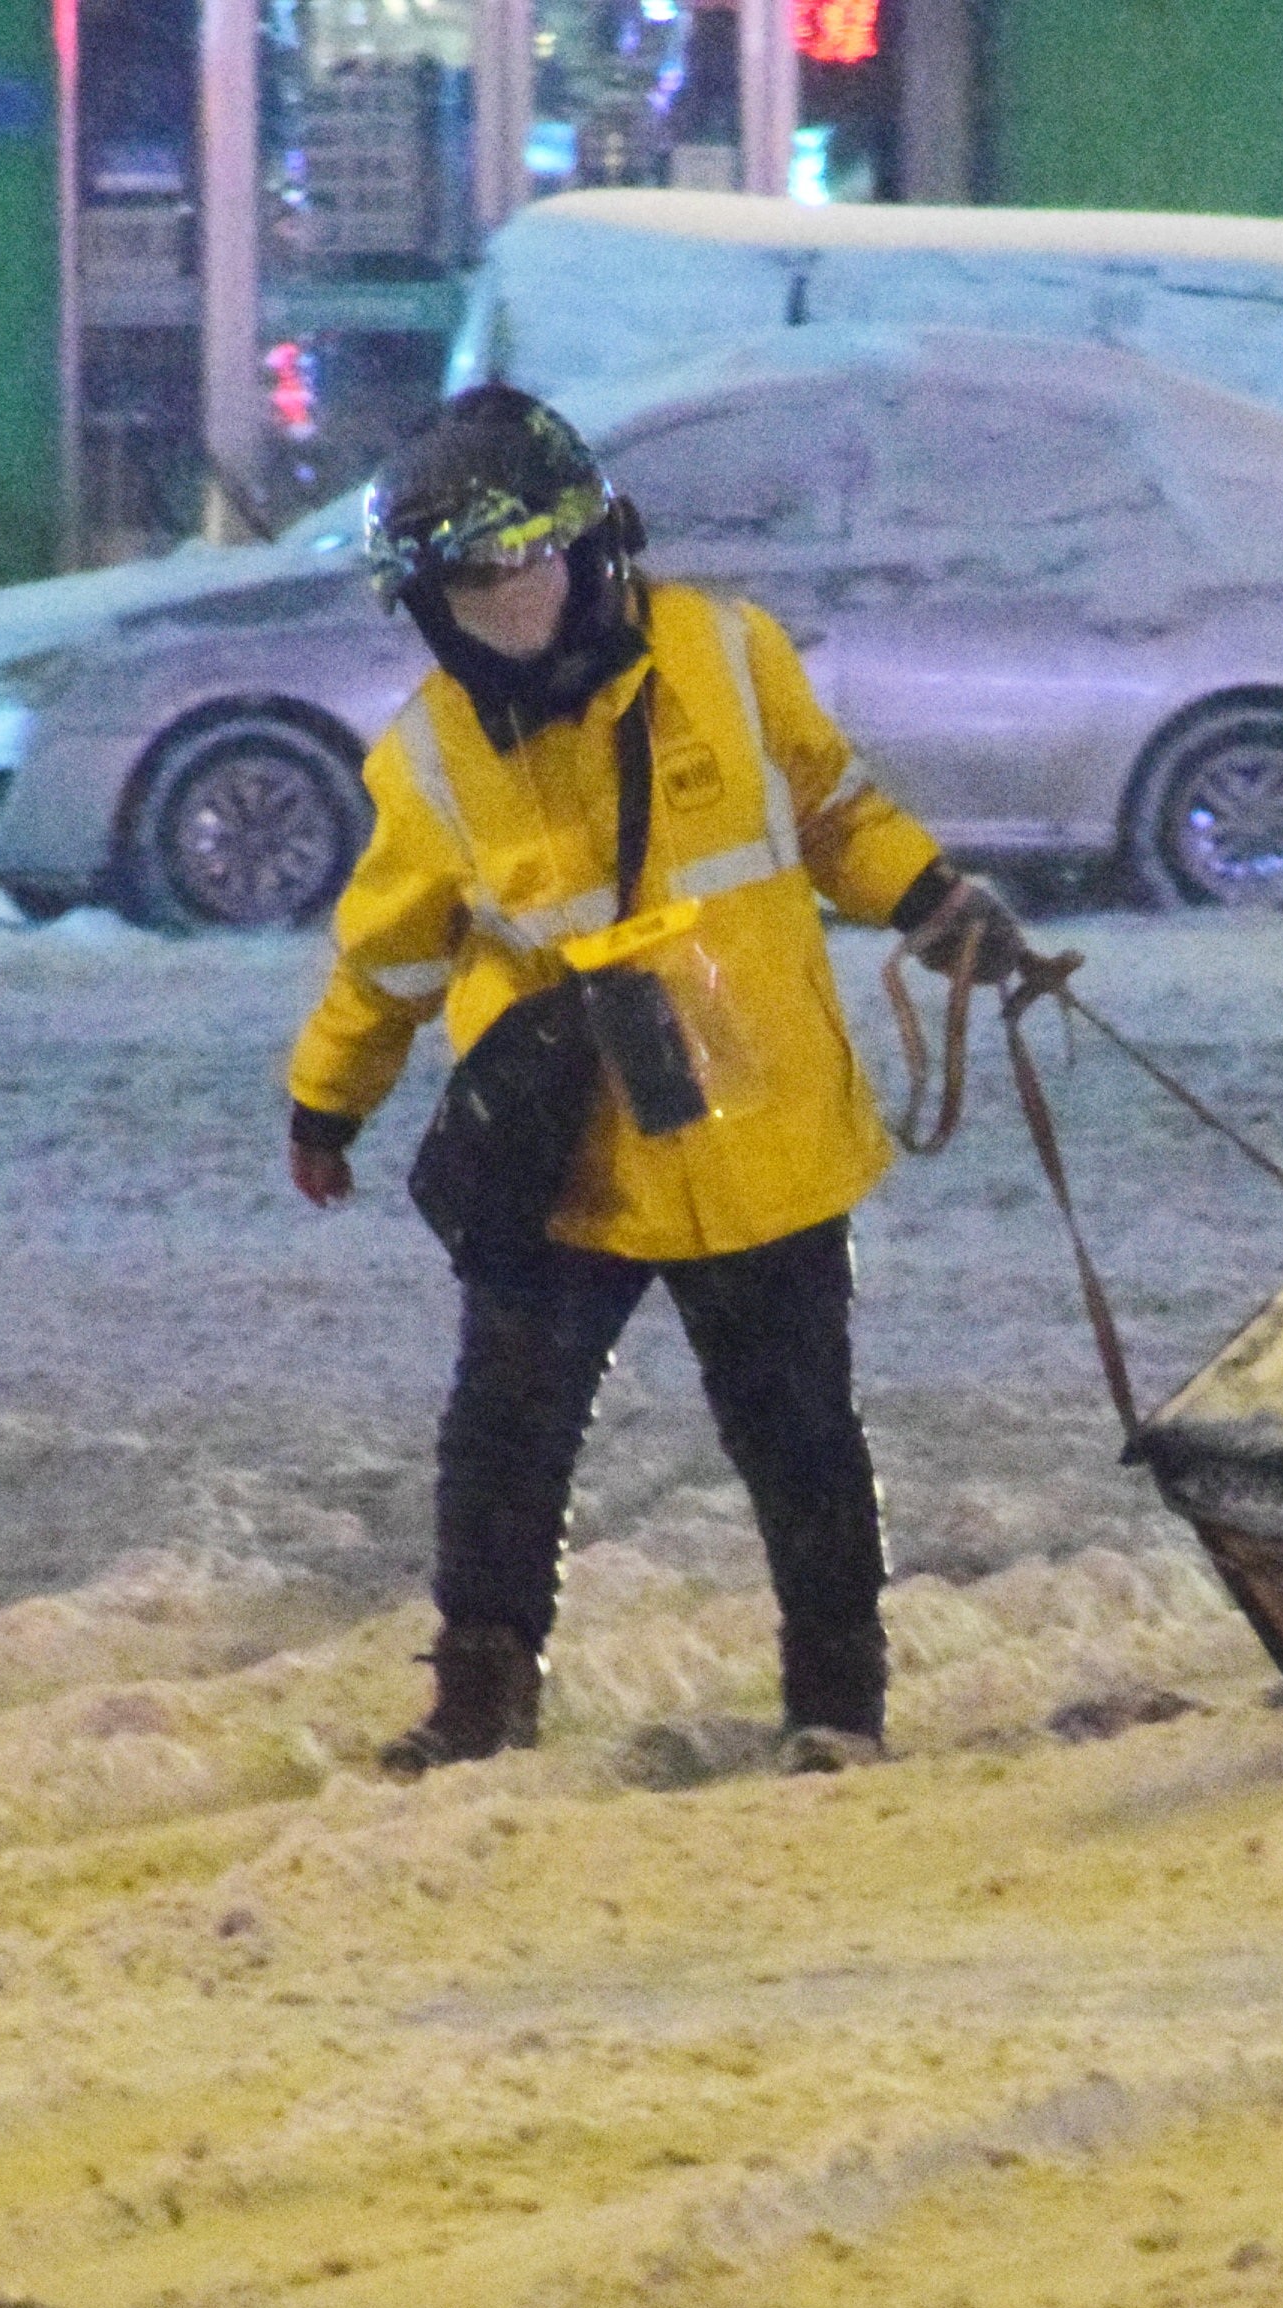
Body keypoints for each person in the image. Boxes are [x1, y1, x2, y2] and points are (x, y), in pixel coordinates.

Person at [282, 385, 1026, 1779]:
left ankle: (836, 1709)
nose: (487, 611)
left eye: (507, 573)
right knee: (504, 1443)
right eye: (453, 590)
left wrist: (933, 903)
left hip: (767, 1137)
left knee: (801, 1436)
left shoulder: (729, 656)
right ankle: (478, 1704)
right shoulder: (429, 755)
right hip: (564, 1157)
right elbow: (384, 962)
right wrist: (328, 1102)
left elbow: (833, 813)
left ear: (590, 546)